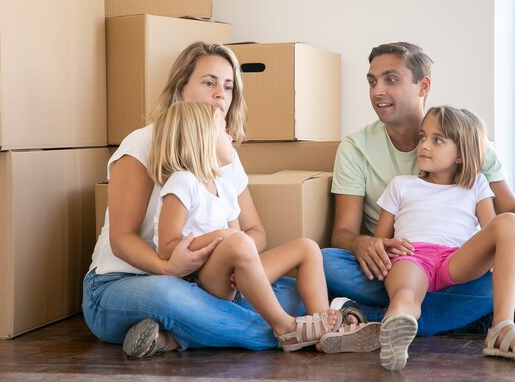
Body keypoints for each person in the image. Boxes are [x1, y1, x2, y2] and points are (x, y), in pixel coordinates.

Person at [82, 42, 305, 358]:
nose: (221, 95)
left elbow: (254, 233)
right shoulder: (141, 144)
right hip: (123, 285)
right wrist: (167, 267)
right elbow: (122, 240)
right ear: (179, 89)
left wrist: (234, 262)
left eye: (228, 87)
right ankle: (295, 331)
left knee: (294, 291)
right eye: (209, 82)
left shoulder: (225, 154)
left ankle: (171, 337)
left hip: (203, 284)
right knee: (170, 296)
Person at [323, 42, 515, 337]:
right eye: (372, 81)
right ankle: (475, 312)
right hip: (393, 266)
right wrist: (364, 244)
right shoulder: (356, 147)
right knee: (326, 262)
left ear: (423, 86)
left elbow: (510, 210)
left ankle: (373, 317)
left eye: (390, 79)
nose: (377, 91)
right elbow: (342, 233)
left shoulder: (465, 138)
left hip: (458, 265)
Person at [148, 100, 380, 353]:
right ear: (202, 139)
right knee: (237, 241)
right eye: (223, 130)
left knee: (307, 247)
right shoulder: (182, 183)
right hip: (200, 279)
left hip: (233, 277)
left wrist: (238, 252)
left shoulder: (223, 186)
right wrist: (225, 239)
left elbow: (237, 240)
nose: (230, 136)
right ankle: (285, 327)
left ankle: (323, 325)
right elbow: (167, 248)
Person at [374, 106, 515, 370]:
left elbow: (494, 232)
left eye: (437, 140)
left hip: (455, 260)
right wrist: (383, 246)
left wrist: (513, 251)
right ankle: (396, 330)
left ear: (461, 155)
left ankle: (501, 325)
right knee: (405, 294)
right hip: (412, 257)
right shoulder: (401, 185)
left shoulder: (476, 184)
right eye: (422, 137)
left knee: (509, 221)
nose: (424, 145)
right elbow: (378, 243)